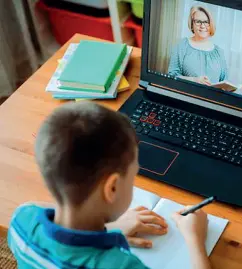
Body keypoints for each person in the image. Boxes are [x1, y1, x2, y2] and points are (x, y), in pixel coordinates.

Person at [7, 102, 212, 269]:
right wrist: (195, 239)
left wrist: (110, 229)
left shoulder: (21, 220)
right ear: (112, 188)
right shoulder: (121, 265)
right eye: (133, 176)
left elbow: (40, 207)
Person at [168, 5, 228, 86]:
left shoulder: (219, 52)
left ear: (211, 24)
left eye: (206, 22)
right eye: (198, 21)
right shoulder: (182, 45)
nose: (202, 26)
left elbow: (224, 82)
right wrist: (194, 80)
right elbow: (171, 76)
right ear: (192, 24)